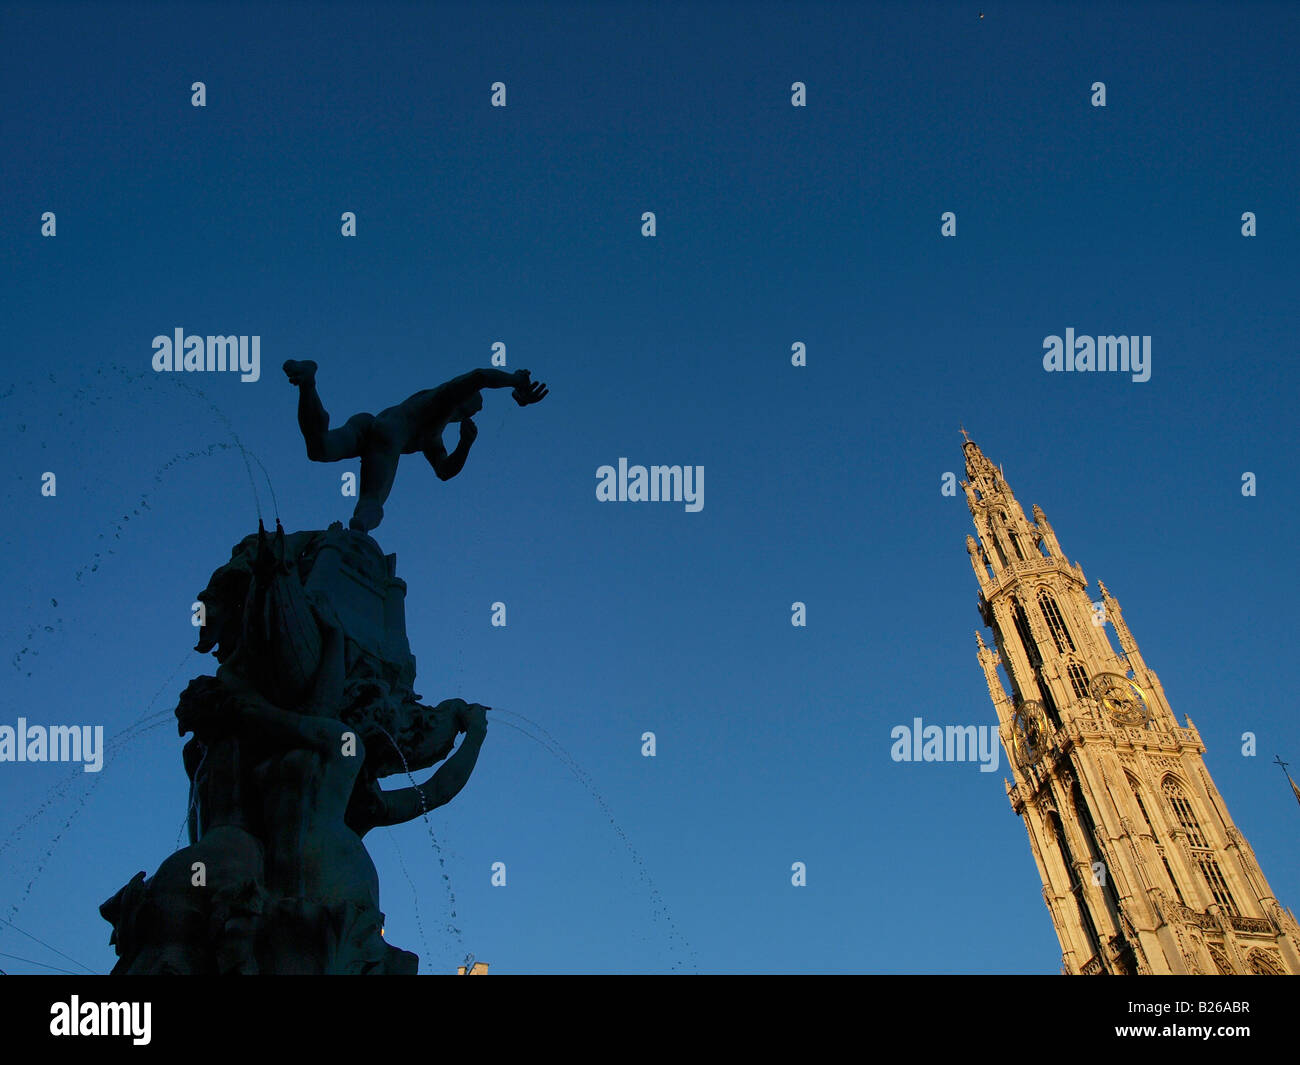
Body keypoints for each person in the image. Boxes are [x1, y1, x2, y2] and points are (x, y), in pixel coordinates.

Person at [283, 360, 548, 532]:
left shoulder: (434, 435)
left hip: (368, 423)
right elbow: (480, 376)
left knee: (319, 448)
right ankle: (356, 536)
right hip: (390, 435)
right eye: (474, 408)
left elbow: (444, 470)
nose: (471, 415)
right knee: (371, 501)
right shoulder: (441, 401)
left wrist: (465, 444)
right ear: (464, 403)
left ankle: (308, 383)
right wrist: (516, 380)